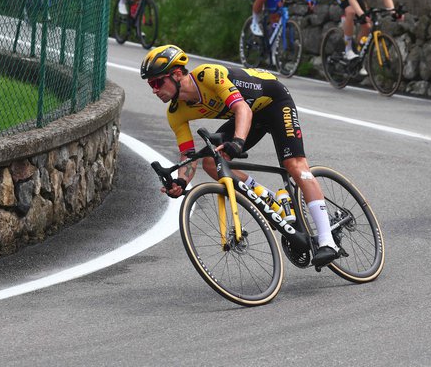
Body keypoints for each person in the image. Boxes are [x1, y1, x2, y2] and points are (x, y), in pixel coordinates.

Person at [141, 44, 347, 266]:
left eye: (157, 82)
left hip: (274, 101)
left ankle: (328, 242)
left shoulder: (209, 75)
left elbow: (242, 110)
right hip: (252, 116)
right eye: (150, 84)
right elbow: (187, 155)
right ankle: (272, 199)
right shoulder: (175, 113)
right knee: (211, 162)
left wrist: (237, 142)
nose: (154, 89)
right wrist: (181, 181)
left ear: (178, 74)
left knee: (294, 165)